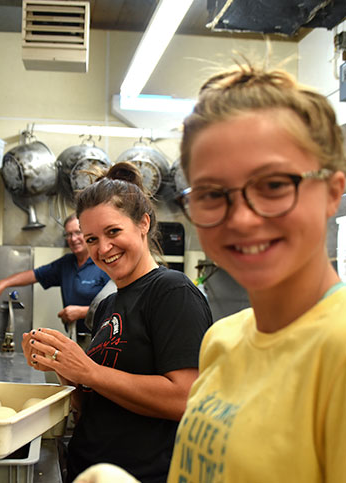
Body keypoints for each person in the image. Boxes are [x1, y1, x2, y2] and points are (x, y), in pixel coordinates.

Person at [166, 63, 346, 482]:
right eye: (212, 194)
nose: (243, 220)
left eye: (274, 185)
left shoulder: (337, 351)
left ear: (333, 192)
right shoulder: (222, 339)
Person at [23, 162, 213, 483]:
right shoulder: (108, 304)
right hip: (88, 470)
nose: (103, 248)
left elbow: (186, 399)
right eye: (92, 239)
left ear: (143, 224)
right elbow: (95, 401)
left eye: (113, 232)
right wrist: (60, 365)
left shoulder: (172, 291)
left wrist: (88, 370)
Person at [0, 213, 110, 343]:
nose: (73, 239)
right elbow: (35, 275)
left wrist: (83, 312)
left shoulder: (103, 262)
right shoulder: (66, 263)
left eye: (78, 233)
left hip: (103, 340)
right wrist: (3, 284)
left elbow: (116, 305)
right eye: (68, 234)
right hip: (78, 339)